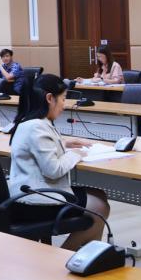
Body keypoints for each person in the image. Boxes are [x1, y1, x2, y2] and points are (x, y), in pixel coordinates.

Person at [7, 74, 108, 251]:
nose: (64, 105)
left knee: (99, 195)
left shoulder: (28, 122)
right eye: (63, 98)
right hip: (36, 201)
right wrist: (76, 154)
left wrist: (64, 143)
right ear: (49, 98)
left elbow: (38, 148)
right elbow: (53, 170)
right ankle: (63, 258)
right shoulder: (38, 126)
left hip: (23, 194)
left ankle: (88, 256)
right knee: (100, 207)